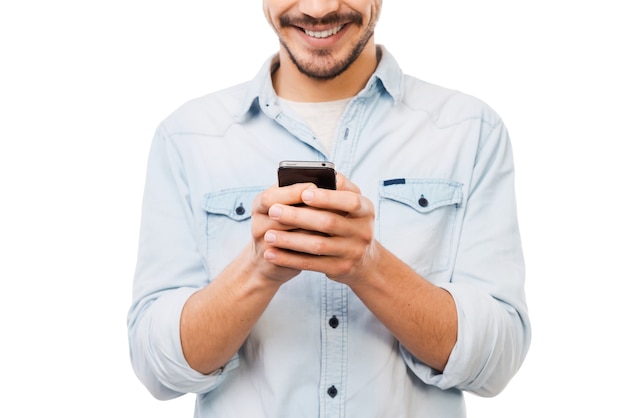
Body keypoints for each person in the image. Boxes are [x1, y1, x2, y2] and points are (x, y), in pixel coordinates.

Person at [127, 1, 531, 417]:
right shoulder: (187, 138)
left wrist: (369, 266)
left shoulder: (469, 131)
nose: (319, 9)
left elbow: (495, 365)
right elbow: (157, 369)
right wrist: (258, 269)